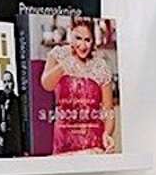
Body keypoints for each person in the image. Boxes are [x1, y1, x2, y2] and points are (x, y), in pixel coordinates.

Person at [40, 19, 115, 155]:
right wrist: (63, 66)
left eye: (87, 40)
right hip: (63, 143)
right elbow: (47, 85)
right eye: (78, 38)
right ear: (70, 35)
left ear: (93, 41)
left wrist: (107, 134)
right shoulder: (59, 55)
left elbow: (108, 111)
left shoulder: (100, 66)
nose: (82, 45)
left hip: (93, 145)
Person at [0, 69, 22, 157]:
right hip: (1, 146)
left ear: (13, 83)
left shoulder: (17, 101)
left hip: (14, 146)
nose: (7, 85)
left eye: (9, 82)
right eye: (4, 82)